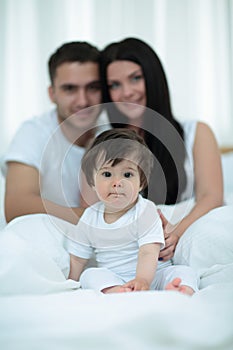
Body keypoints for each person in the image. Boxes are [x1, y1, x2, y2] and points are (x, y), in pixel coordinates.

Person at [100, 37, 223, 261]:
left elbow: (212, 197)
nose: (126, 92)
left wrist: (175, 232)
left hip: (181, 233)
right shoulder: (105, 144)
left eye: (135, 78)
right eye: (115, 85)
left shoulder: (196, 132)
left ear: (153, 79)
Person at [67, 128, 199, 295]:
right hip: (115, 277)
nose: (117, 183)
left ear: (141, 182)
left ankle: (178, 289)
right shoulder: (89, 218)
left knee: (185, 272)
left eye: (127, 174)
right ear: (92, 181)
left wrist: (142, 280)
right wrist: (70, 282)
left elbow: (148, 251)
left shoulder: (145, 211)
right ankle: (119, 291)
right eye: (107, 174)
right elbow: (78, 258)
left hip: (154, 276)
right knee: (90, 275)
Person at [1, 41, 109, 224]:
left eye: (93, 87)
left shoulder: (111, 131)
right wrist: (99, 220)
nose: (83, 101)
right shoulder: (34, 132)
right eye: (70, 89)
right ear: (52, 94)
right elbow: (17, 206)